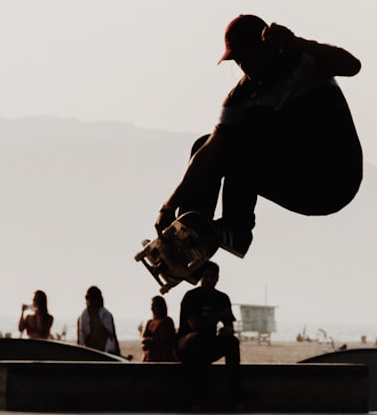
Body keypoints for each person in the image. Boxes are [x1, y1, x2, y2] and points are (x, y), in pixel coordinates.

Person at [155, 14, 363, 258]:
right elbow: (208, 154)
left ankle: (237, 231)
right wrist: (169, 207)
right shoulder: (240, 98)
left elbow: (352, 66)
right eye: (238, 60)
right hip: (297, 178)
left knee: (240, 142)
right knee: (208, 144)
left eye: (247, 56)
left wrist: (297, 42)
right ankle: (190, 233)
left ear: (268, 47)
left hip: (335, 178)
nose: (244, 66)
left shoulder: (305, 62)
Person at [176, 261, 240, 367]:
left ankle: (234, 382)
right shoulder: (191, 297)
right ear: (201, 277)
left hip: (208, 343)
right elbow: (196, 326)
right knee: (196, 338)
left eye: (213, 277)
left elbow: (229, 326)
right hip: (186, 346)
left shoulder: (222, 298)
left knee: (232, 342)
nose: (210, 280)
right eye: (206, 276)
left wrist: (227, 331)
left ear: (218, 278)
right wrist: (219, 316)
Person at [77, 286, 121, 355]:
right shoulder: (83, 317)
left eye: (93, 297)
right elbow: (80, 341)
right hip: (89, 354)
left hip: (106, 352)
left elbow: (113, 336)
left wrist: (117, 353)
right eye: (89, 298)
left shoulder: (107, 315)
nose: (91, 301)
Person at [141, 295, 178, 362]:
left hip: (163, 358)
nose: (153, 308)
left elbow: (164, 340)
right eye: (152, 306)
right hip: (149, 357)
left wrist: (151, 341)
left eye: (155, 305)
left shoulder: (167, 321)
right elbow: (144, 339)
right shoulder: (149, 322)